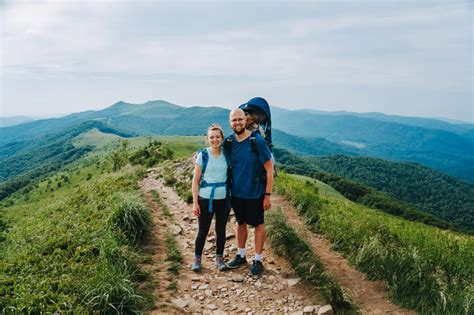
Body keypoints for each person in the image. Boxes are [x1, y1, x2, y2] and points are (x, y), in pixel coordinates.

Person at [225, 108, 273, 276]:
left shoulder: (256, 140)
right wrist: (199, 155)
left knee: (258, 224)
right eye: (234, 120)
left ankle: (258, 259)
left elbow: (269, 168)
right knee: (241, 223)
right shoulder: (230, 142)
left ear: (245, 120)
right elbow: (215, 150)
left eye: (240, 119)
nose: (237, 123)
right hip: (237, 192)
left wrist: (267, 195)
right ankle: (241, 255)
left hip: (256, 192)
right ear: (230, 123)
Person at [191, 124, 230, 272]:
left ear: (222, 138)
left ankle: (219, 258)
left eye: (217, 137)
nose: (215, 139)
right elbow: (195, 181)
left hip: (223, 199)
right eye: (211, 137)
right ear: (207, 139)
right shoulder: (203, 155)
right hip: (205, 199)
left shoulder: (227, 154)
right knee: (203, 230)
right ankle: (197, 258)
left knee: (221, 229)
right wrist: (195, 203)